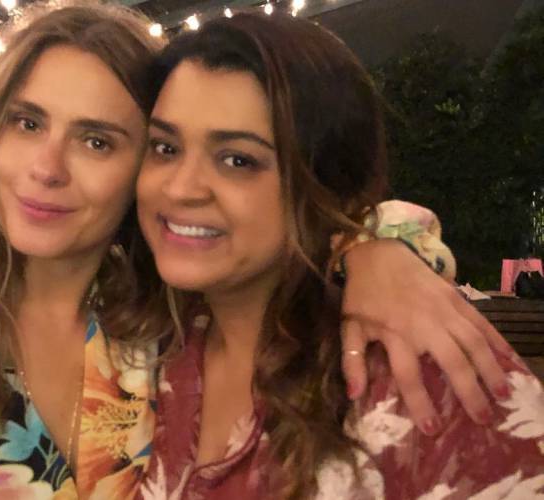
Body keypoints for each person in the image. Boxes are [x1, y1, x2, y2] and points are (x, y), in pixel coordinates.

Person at [0, 2, 516, 499]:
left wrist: (376, 249)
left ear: (143, 164)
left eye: (96, 140)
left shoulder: (166, 320)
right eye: (27, 122)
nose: (46, 167)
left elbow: (305, 220)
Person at [136, 12, 544, 499]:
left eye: (238, 160)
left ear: (331, 185)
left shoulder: (427, 370)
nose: (180, 188)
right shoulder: (153, 345)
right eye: (165, 147)